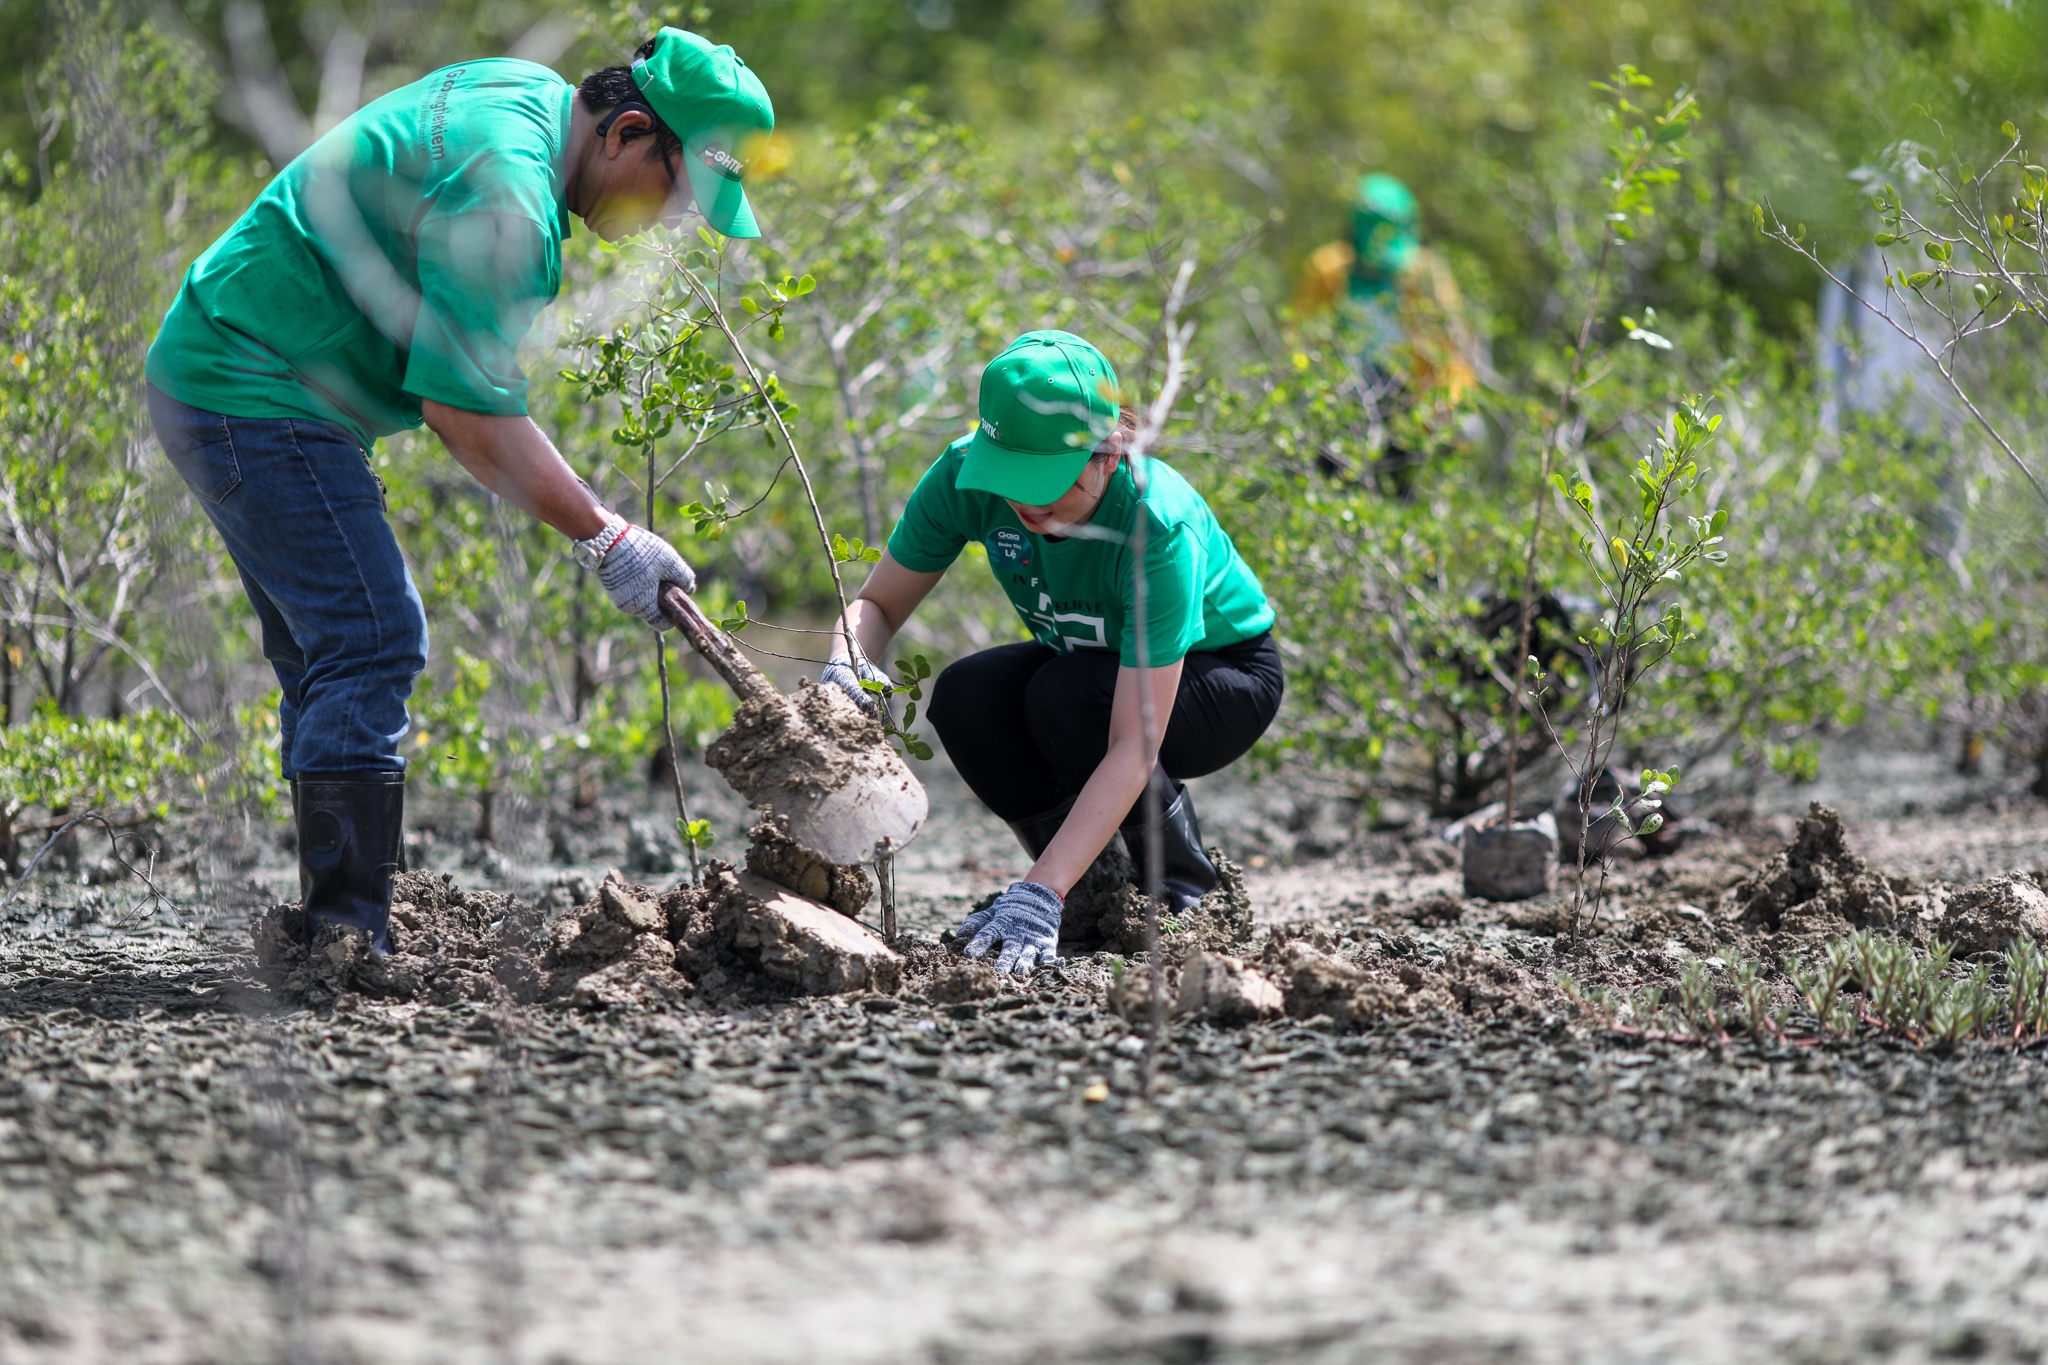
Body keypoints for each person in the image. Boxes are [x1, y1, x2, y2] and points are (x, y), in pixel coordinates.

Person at [144, 29, 775, 953]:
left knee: (332, 655)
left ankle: (332, 924)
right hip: (250, 387)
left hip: (224, 364)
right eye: (678, 191)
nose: (673, 218)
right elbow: (464, 412)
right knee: (371, 636)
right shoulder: (511, 204)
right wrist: (607, 536)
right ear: (628, 131)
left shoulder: (523, 93)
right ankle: (346, 937)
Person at [824, 331, 1282, 974]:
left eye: (1048, 480)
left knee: (1065, 696)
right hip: (1088, 668)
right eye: (1012, 478)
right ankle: (1091, 887)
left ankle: (1183, 891)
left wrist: (1039, 894)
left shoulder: (1158, 523)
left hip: (1223, 678)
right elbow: (878, 606)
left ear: (1111, 451)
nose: (1026, 502)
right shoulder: (964, 476)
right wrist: (847, 664)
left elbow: (1134, 744)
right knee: (966, 696)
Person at [1290, 173, 1479, 494]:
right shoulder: (1328, 270)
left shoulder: (1425, 276)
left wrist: (1449, 406)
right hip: (1343, 402)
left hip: (1411, 405)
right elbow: (1301, 337)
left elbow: (1450, 355)